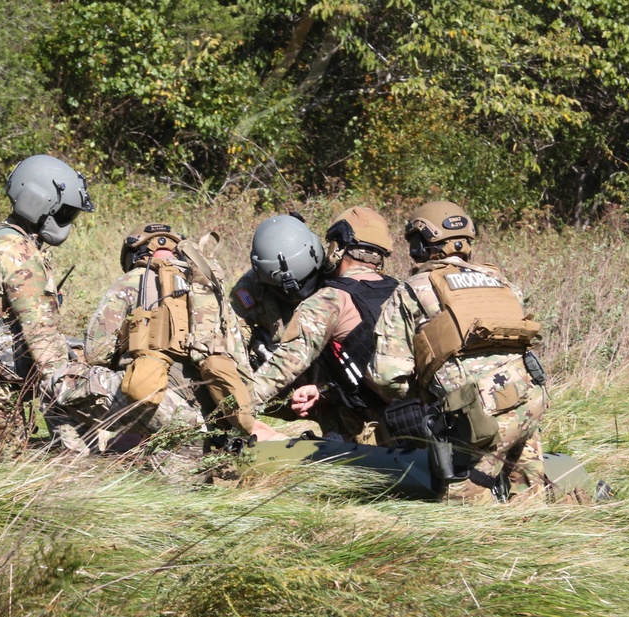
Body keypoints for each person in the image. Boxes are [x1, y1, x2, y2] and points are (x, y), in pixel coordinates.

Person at [0, 157, 199, 459]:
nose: (68, 221)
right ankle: (194, 437)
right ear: (38, 202)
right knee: (140, 390)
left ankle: (74, 454)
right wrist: (116, 384)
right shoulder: (20, 255)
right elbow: (52, 367)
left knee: (81, 375)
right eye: (65, 212)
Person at [368, 200, 546, 505]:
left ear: (425, 245)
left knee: (464, 515)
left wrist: (421, 394)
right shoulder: (501, 282)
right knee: (528, 502)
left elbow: (386, 376)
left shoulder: (413, 290)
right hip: (531, 403)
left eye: (414, 243)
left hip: (478, 420)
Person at [85, 223, 287, 442]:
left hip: (159, 406)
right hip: (215, 417)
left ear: (135, 253)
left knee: (60, 381)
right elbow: (240, 361)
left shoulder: (130, 281)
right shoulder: (209, 289)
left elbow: (95, 353)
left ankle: (75, 453)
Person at [249, 207, 402, 444]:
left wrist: (235, 408)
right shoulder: (402, 290)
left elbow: (285, 364)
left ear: (337, 248)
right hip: (416, 427)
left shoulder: (330, 298)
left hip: (376, 441)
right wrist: (322, 390)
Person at [230, 214, 325, 370]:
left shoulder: (335, 269)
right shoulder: (249, 289)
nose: (298, 292)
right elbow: (236, 333)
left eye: (307, 280)